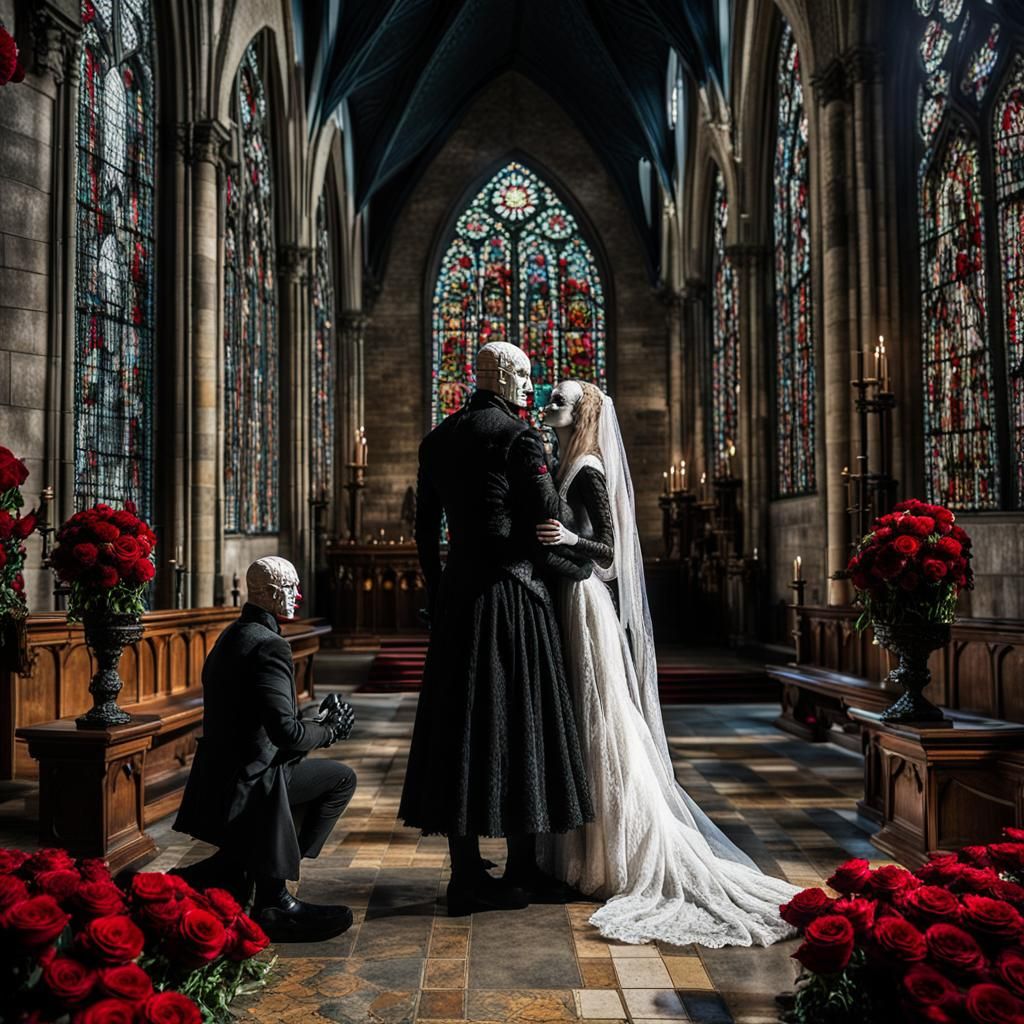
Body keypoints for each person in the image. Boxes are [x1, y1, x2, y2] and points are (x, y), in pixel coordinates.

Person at [536, 381, 800, 948]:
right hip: (569, 597)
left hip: (585, 603)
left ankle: (616, 850)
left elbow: (609, 550)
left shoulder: (588, 466)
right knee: (584, 723)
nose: (547, 407)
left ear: (581, 412)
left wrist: (566, 537)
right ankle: (580, 846)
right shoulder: (569, 461)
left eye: (557, 401)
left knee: (600, 720)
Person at [399, 342, 594, 916]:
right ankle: (521, 871)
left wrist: (439, 596)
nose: (531, 388)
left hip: (460, 600)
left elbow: (424, 535)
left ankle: (464, 875)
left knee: (462, 730)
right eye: (526, 377)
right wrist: (581, 565)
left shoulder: (438, 439)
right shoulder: (518, 437)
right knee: (519, 725)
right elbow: (544, 523)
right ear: (505, 378)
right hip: (513, 597)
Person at [173, 556, 358, 942]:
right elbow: (287, 734)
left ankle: (235, 867)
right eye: (290, 588)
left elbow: (259, 718)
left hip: (218, 775)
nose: (298, 595)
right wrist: (330, 730)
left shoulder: (234, 633)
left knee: (299, 776)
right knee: (341, 779)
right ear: (270, 593)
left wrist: (315, 719)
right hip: (251, 781)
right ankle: (273, 894)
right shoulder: (271, 645)